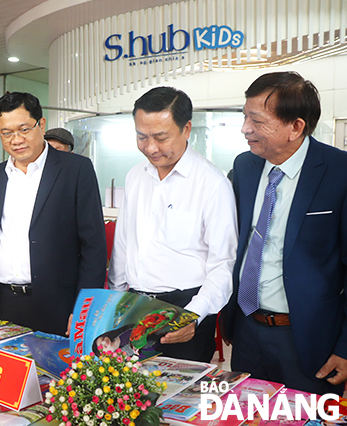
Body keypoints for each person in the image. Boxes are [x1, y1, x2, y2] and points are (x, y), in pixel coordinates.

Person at [0, 92, 106, 336]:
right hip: (0, 303)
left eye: (24, 129)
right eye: (6, 133)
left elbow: (94, 246)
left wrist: (84, 308)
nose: (16, 140)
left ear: (41, 124)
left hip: (57, 305)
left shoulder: (75, 169)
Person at [221, 71, 347, 395]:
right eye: (245, 116)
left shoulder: (338, 172)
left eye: (257, 120)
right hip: (247, 330)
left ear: (295, 127)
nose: (245, 128)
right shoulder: (245, 168)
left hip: (309, 339)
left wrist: (346, 347)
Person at [107, 86, 237, 363]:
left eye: (161, 137)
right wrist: (114, 303)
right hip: (133, 307)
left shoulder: (212, 184)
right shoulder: (135, 176)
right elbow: (123, 244)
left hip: (184, 309)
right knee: (126, 393)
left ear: (186, 129)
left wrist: (193, 315)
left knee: (178, 396)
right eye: (142, 137)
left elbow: (223, 264)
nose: (151, 147)